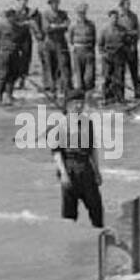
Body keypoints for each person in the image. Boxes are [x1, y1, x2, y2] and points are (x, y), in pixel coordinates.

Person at [54, 95, 104, 228]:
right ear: (68, 105)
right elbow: (57, 152)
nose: (79, 106)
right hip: (69, 168)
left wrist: (97, 171)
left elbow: (93, 149)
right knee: (69, 214)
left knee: (96, 209)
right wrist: (63, 174)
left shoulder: (88, 123)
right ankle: (70, 243)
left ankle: (97, 239)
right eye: (76, 103)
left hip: (86, 168)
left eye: (81, 103)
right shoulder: (61, 124)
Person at [41, 0, 72, 98]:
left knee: (63, 65)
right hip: (49, 43)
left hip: (60, 42)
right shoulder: (46, 14)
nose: (55, 5)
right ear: (50, 4)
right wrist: (59, 26)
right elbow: (47, 28)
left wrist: (55, 26)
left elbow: (67, 25)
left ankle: (63, 89)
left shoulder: (63, 14)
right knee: (50, 66)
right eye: (53, 3)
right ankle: (52, 89)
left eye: (57, 3)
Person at [114, 0, 140, 99]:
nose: (128, 6)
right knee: (120, 73)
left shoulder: (133, 16)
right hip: (121, 49)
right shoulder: (118, 17)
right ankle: (120, 96)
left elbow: (138, 32)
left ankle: (138, 93)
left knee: (134, 72)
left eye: (129, 4)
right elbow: (116, 32)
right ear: (122, 5)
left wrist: (133, 40)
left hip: (132, 47)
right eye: (127, 4)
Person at [70, 2, 97, 95]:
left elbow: (94, 39)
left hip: (88, 51)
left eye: (83, 13)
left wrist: (92, 51)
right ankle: (80, 97)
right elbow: (70, 39)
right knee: (79, 77)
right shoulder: (73, 25)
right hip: (78, 51)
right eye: (80, 13)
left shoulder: (91, 25)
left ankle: (89, 94)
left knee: (89, 77)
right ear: (77, 14)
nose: (82, 15)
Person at [0, 8, 20, 104]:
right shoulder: (1, 26)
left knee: (13, 74)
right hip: (4, 53)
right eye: (11, 17)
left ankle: (9, 94)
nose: (13, 18)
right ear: (8, 17)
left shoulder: (17, 27)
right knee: (3, 74)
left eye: (14, 16)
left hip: (15, 52)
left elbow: (20, 39)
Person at [100, 9, 126, 103]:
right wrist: (104, 54)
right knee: (107, 77)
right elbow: (100, 45)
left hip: (119, 56)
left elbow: (126, 42)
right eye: (113, 17)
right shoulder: (105, 30)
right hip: (108, 56)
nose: (115, 19)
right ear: (110, 18)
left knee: (119, 77)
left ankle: (120, 97)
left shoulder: (122, 29)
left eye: (116, 17)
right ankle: (106, 97)